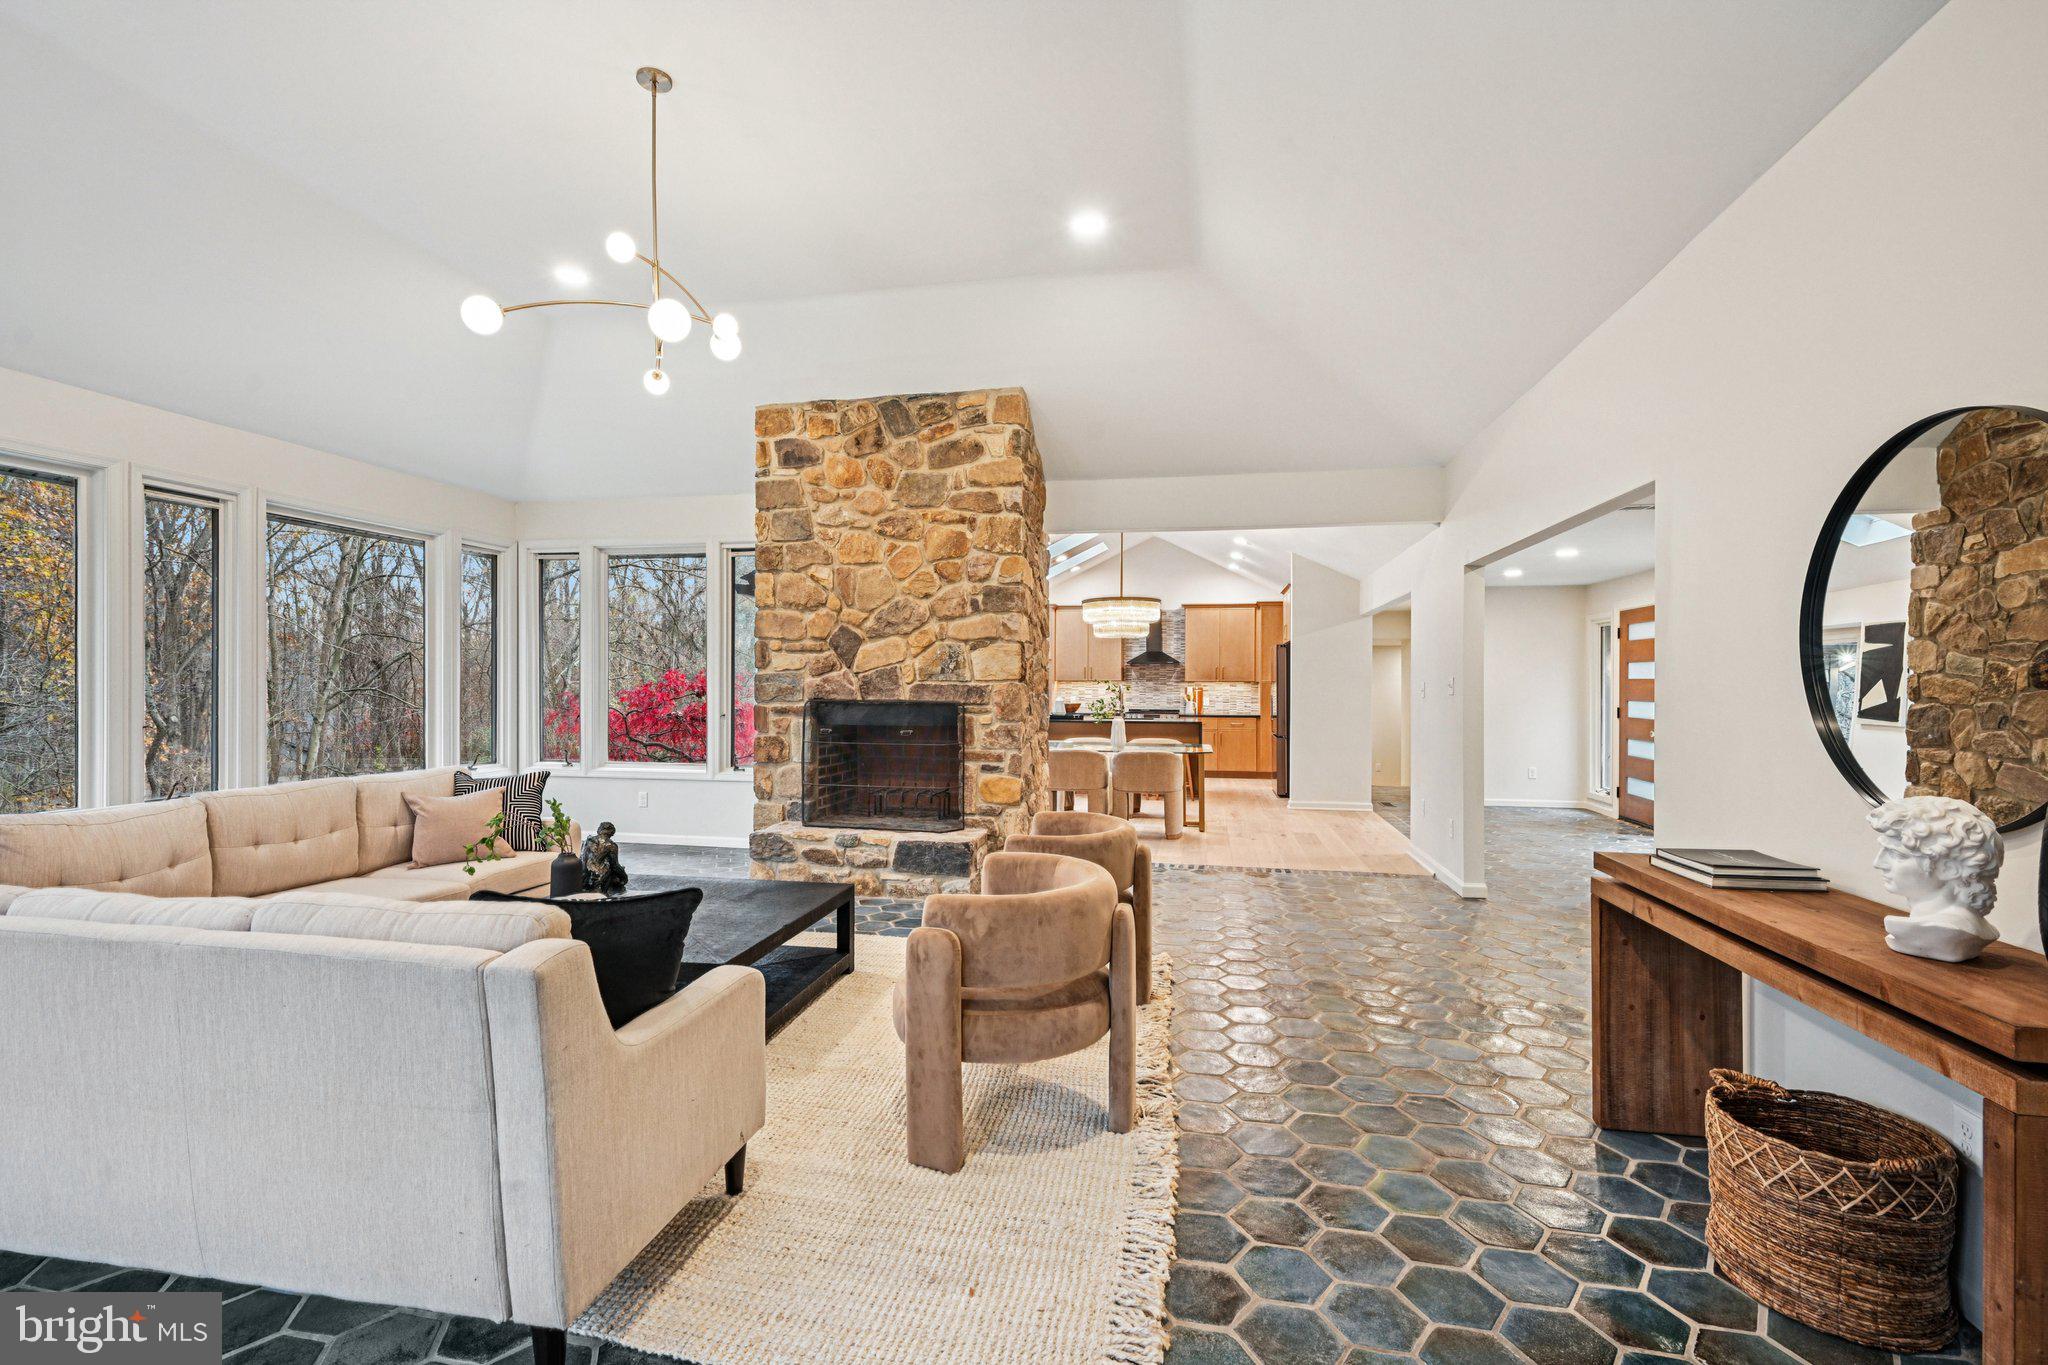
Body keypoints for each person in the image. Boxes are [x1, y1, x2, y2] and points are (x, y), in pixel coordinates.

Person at [1868, 795, 2002, 962]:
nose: (1878, 863)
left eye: (1897, 855)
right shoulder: (1969, 929)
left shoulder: (1953, 931)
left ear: (1949, 869)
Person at [580, 821, 629, 897]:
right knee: (614, 873)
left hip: (585, 877)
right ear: (612, 833)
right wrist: (624, 878)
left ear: (599, 830)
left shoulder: (588, 841)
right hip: (600, 879)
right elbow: (615, 866)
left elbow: (582, 860)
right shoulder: (611, 845)